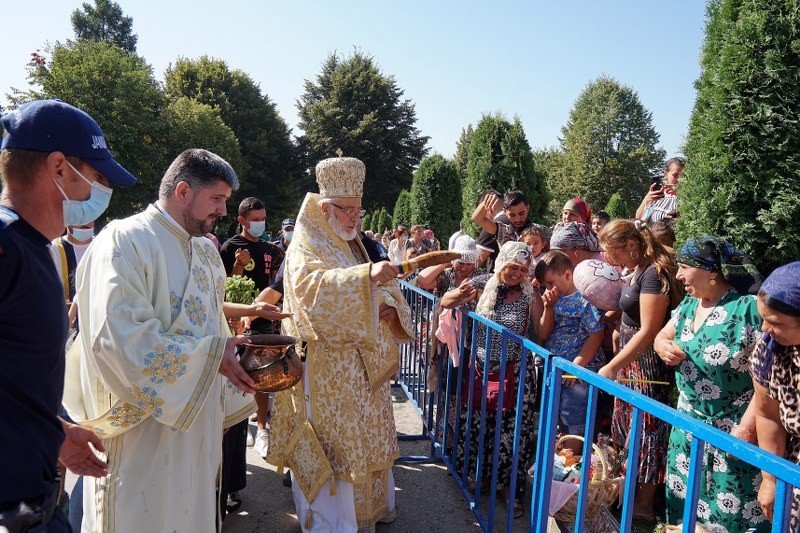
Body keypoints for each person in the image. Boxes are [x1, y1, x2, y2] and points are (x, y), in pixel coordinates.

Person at [64, 149, 257, 532]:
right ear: (183, 190)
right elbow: (117, 339)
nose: (222, 210)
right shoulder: (124, 241)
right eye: (216, 199)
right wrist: (208, 360)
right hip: (141, 436)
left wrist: (225, 396)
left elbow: (214, 329)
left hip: (196, 424)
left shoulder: (205, 250)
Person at [0, 99, 134, 532]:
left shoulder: (35, 247)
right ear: (59, 169)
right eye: (95, 177)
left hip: (33, 498)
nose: (101, 192)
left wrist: (53, 431)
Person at [266, 154, 413, 533]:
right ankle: (331, 525)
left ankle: (370, 510)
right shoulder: (306, 245)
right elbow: (310, 292)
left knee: (364, 437)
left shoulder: (353, 244)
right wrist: (365, 278)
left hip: (364, 368)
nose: (354, 219)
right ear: (325, 207)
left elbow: (388, 285)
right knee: (336, 444)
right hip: (326, 367)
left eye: (358, 212)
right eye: (347, 210)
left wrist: (390, 308)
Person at [654, 236, 766, 531]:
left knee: (731, 514)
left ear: (712, 271)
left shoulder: (749, 309)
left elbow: (767, 379)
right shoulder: (689, 305)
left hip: (733, 434)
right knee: (686, 511)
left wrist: (746, 428)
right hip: (687, 429)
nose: (678, 275)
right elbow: (661, 335)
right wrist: (662, 344)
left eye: (684, 267)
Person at [442, 241, 540, 519]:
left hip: (516, 373)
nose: (516, 274)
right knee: (477, 424)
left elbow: (540, 331)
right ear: (501, 263)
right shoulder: (482, 282)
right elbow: (445, 302)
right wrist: (460, 294)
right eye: (511, 267)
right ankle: (477, 478)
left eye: (522, 270)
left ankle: (509, 490)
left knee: (512, 434)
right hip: (481, 369)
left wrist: (547, 304)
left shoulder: (529, 293)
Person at [598, 219, 682, 519]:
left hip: (647, 366)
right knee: (629, 429)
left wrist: (611, 366)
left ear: (631, 246)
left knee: (647, 433)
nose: (610, 259)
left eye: (614, 252)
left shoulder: (653, 275)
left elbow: (649, 331)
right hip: (631, 362)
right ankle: (628, 497)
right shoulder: (636, 271)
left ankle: (645, 508)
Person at [219, 197, 284, 459]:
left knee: (261, 372)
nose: (260, 224)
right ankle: (240, 419)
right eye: (255, 220)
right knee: (237, 369)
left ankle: (261, 426)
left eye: (263, 219)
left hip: (264, 318)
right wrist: (237, 266)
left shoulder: (272, 250)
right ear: (242, 221)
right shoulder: (230, 247)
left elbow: (277, 283)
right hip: (235, 319)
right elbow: (222, 286)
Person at [750, 262, 800, 527]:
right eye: (763, 318)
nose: (764, 329)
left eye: (775, 322)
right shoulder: (771, 349)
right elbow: (768, 414)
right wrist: (770, 479)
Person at [535, 251, 606, 436]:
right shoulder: (553, 298)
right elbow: (543, 332)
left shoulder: (584, 299)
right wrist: (548, 309)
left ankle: (572, 459)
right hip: (558, 370)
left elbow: (596, 334)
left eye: (551, 283)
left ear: (567, 274)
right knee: (557, 419)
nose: (548, 288)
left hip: (576, 374)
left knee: (573, 421)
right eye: (545, 285)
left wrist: (576, 367)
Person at [636, 157, 685, 224]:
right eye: (675, 175)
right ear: (665, 174)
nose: (679, 179)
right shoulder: (656, 195)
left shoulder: (690, 196)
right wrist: (647, 200)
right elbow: (639, 219)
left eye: (683, 176)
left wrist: (681, 195)